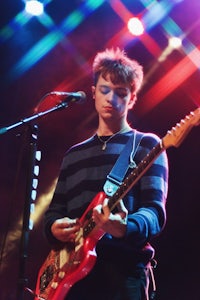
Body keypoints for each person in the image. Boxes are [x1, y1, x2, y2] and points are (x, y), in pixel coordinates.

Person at [43, 48, 168, 300]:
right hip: (72, 279)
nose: (111, 98)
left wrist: (126, 227)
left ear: (132, 98)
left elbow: (154, 212)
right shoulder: (73, 155)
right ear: (93, 93)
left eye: (121, 93)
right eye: (104, 90)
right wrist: (53, 228)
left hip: (122, 274)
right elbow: (56, 210)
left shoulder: (146, 146)